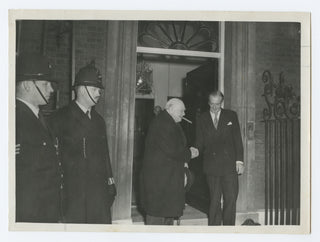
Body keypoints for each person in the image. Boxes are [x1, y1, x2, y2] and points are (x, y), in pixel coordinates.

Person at [49, 61, 116, 224]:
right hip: (74, 195)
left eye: (99, 89)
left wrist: (110, 181)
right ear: (81, 89)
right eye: (95, 89)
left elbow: (105, 154)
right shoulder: (60, 118)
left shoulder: (99, 120)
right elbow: (53, 158)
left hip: (98, 194)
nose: (99, 93)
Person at [15, 52, 63, 222]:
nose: (51, 89)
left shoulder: (38, 116)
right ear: (28, 85)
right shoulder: (14, 120)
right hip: (30, 215)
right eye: (45, 84)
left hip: (45, 212)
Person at [140, 98, 199, 225]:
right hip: (160, 183)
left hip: (166, 181)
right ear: (170, 109)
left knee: (166, 219)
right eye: (181, 111)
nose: (184, 114)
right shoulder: (163, 123)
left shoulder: (168, 121)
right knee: (157, 223)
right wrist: (190, 153)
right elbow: (173, 149)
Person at [195, 90, 244, 226]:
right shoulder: (202, 118)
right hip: (212, 166)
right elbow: (199, 143)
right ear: (208, 102)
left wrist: (239, 161)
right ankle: (214, 232)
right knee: (214, 201)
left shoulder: (231, 115)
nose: (215, 107)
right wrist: (193, 151)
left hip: (229, 166)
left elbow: (237, 140)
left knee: (231, 200)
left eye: (217, 104)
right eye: (212, 104)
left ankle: (229, 231)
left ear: (221, 102)